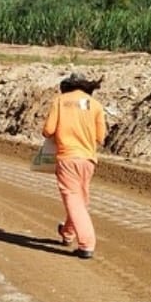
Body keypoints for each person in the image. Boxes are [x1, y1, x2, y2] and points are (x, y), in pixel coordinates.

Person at [41, 71, 107, 259]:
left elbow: (47, 131)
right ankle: (67, 232)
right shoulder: (95, 105)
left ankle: (87, 244)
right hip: (88, 160)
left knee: (73, 200)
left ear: (67, 86)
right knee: (81, 200)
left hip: (67, 157)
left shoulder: (60, 101)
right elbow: (101, 138)